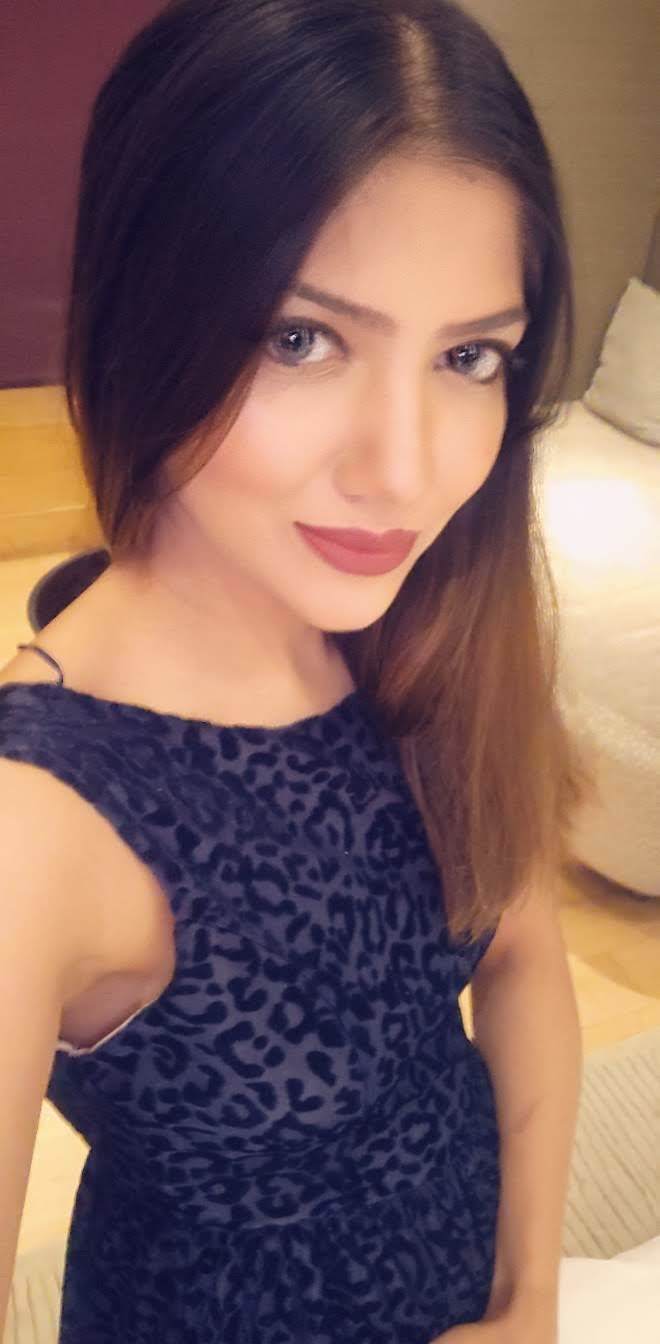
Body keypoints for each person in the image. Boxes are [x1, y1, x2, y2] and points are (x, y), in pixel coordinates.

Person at [0, 1, 596, 1340]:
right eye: (301, 338)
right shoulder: (36, 824)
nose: (406, 470)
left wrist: (530, 1299)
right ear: (145, 314)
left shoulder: (429, 626)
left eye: (469, 357)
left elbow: (520, 959)